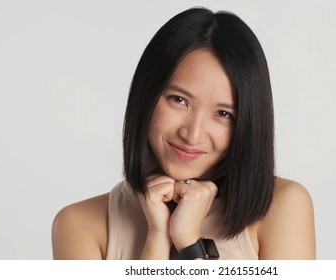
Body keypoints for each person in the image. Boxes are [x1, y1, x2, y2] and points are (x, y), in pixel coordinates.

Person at [51, 7, 315, 260]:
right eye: (179, 100)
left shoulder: (281, 207)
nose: (193, 134)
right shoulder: (80, 224)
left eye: (223, 114)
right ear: (146, 96)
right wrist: (157, 239)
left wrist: (188, 241)